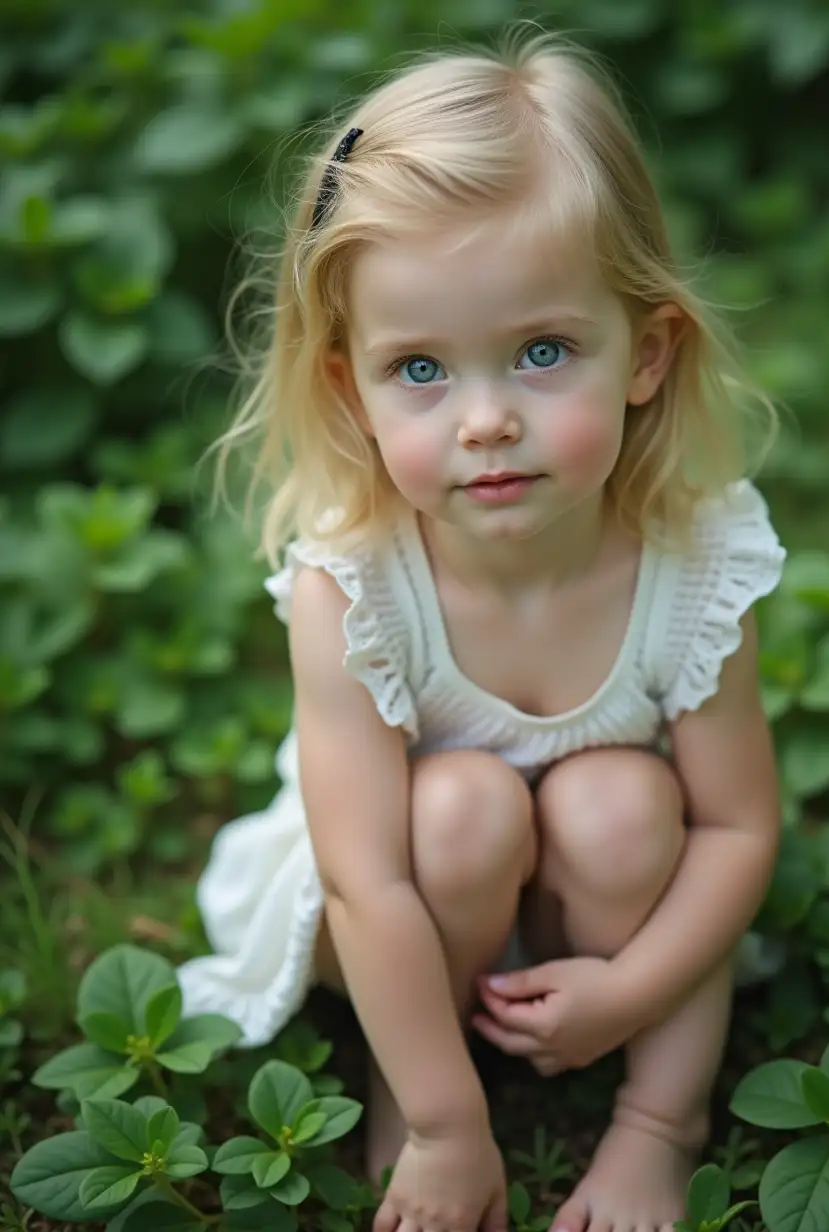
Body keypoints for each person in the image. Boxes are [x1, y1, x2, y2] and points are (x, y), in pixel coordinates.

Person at [178, 25, 786, 1232]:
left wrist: (632, 988)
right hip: (412, 902)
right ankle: (423, 1102)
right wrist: (449, 1122)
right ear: (350, 386)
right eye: (421, 370)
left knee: (626, 803)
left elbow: (735, 824)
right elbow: (367, 880)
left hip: (592, 893)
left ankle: (659, 1121)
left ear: (645, 354)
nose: (486, 421)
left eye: (542, 351)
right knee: (457, 807)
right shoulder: (354, 589)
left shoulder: (693, 562)